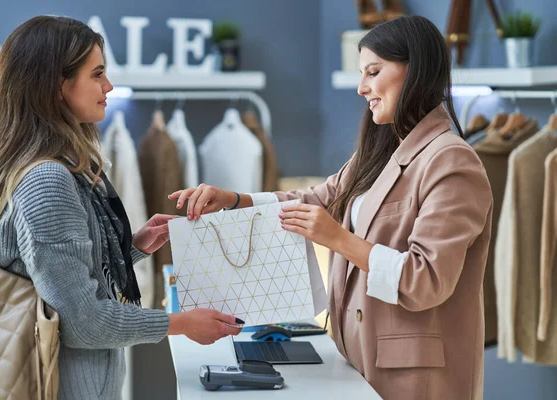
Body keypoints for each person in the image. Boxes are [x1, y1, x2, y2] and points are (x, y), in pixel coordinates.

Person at [170, 15, 492, 400]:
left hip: (415, 376)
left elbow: (425, 280)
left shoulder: (452, 161)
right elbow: (320, 199)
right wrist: (235, 200)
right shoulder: (383, 150)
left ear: (416, 70)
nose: (361, 87)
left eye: (373, 71)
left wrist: (337, 238)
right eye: (361, 74)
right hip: (358, 358)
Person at [0, 16, 243, 400]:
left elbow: (64, 280)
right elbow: (84, 322)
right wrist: (181, 323)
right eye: (97, 74)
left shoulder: (56, 166)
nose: (108, 86)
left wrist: (137, 246)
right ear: (58, 87)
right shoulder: (48, 181)